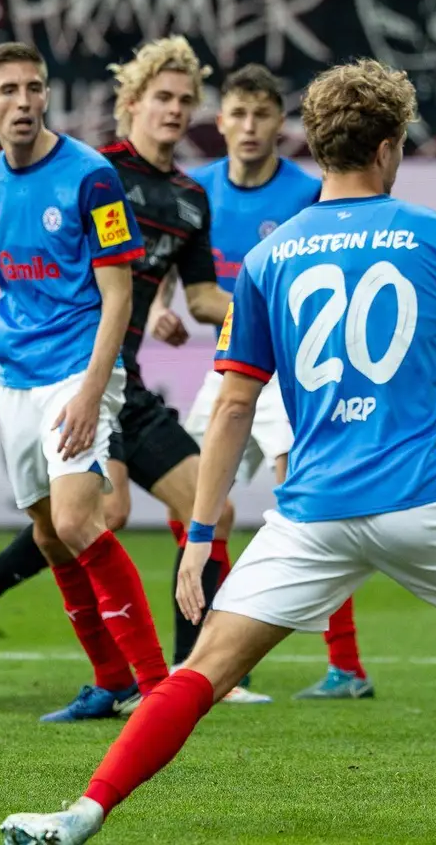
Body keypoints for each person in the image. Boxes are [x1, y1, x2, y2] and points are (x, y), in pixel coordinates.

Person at [0, 58, 436, 845]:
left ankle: (81, 815)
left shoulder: (272, 258)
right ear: (387, 147)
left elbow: (236, 404)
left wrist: (203, 534)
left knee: (202, 672)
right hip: (424, 499)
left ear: (316, 145)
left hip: (312, 513)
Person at [0, 36, 270, 715]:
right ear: (131, 103)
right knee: (64, 527)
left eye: (184, 101)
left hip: (99, 372)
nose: (174, 111)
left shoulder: (169, 195)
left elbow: (186, 297)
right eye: (161, 98)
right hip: (43, 373)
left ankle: (168, 679)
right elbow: (20, 296)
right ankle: (99, 671)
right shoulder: (20, 179)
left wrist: (268, 308)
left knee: (156, 510)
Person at [0, 42, 169, 722]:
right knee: (47, 533)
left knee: (76, 519)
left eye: (34, 88)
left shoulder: (92, 178)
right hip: (19, 380)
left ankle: (157, 687)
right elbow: (16, 300)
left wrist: (95, 390)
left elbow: (117, 296)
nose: (24, 102)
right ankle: (111, 680)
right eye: (7, 91)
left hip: (80, 369)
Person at [169, 63, 372, 700]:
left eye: (263, 115)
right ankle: (214, 658)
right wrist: (154, 307)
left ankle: (345, 666)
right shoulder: (196, 191)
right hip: (233, 370)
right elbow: (173, 273)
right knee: (193, 499)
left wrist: (232, 305)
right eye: (239, 114)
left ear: (278, 125)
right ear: (220, 120)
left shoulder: (306, 194)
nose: (250, 127)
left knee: (305, 503)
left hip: (290, 373)